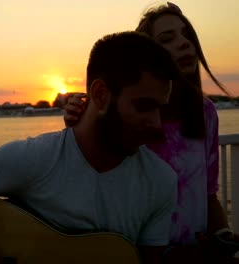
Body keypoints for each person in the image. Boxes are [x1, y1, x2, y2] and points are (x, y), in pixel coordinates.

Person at [0, 31, 179, 264]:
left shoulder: (161, 182)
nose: (156, 124)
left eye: (161, 108)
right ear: (100, 94)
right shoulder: (36, 158)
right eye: (144, 106)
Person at [63, 2, 237, 263]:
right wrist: (78, 114)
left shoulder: (205, 112)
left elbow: (209, 195)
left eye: (187, 35)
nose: (184, 43)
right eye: (168, 38)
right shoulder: (124, 116)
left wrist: (223, 236)